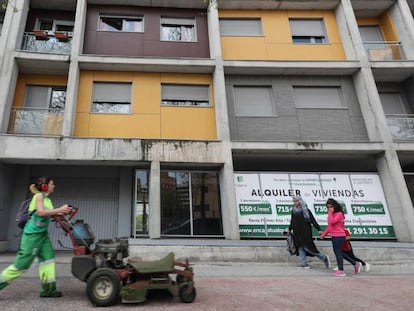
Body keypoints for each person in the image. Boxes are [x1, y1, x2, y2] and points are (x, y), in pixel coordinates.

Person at [0, 177, 72, 297]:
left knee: (48, 260)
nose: (54, 186)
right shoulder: (39, 196)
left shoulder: (48, 200)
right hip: (32, 236)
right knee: (21, 265)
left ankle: (49, 290)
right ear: (45, 186)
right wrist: (59, 209)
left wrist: (62, 212)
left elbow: (49, 213)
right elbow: (40, 212)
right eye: (52, 184)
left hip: (42, 235)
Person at [321, 198, 362, 277]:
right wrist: (324, 234)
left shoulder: (339, 214)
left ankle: (341, 270)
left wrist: (330, 213)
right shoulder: (332, 214)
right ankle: (355, 263)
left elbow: (332, 222)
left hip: (339, 236)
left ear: (335, 206)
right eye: (328, 207)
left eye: (331, 206)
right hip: (334, 236)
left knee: (338, 253)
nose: (329, 209)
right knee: (339, 252)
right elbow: (330, 226)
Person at [288, 196, 330, 269]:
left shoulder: (306, 211)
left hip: (305, 232)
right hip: (297, 232)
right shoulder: (293, 211)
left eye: (296, 201)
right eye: (294, 201)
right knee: (300, 247)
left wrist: (318, 229)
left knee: (308, 248)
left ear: (300, 201)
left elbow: (313, 221)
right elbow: (292, 221)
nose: (295, 203)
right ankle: (304, 264)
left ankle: (323, 257)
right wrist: (289, 229)